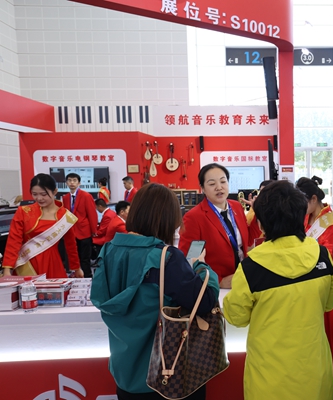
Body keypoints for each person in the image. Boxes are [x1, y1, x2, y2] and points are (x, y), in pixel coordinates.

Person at [90, 183, 219, 400]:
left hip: (125, 373)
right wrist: (201, 266)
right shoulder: (166, 258)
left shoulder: (109, 250)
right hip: (167, 376)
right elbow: (205, 300)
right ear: (167, 219)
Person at [223, 180, 333, 400]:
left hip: (269, 380)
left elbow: (236, 316)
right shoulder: (322, 256)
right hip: (315, 373)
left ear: (262, 223)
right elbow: (329, 302)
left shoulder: (251, 267)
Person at [297, 176, 333, 400]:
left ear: (313, 199)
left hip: (330, 283)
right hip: (312, 280)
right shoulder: (308, 215)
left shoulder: (330, 224)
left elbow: (324, 256)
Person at [179, 163, 260, 289]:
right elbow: (189, 260)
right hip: (216, 287)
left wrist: (258, 213)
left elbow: (248, 241)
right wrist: (218, 281)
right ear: (202, 188)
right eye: (212, 184)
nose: (219, 187)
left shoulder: (236, 207)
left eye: (223, 181)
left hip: (243, 279)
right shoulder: (194, 217)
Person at [2, 173, 83, 279]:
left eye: (44, 194)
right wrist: (7, 269)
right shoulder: (24, 212)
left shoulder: (65, 216)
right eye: (34, 194)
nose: (39, 198)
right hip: (26, 264)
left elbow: (71, 244)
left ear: (55, 191)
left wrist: (77, 268)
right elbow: (13, 241)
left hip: (53, 263)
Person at [62, 173, 98, 278]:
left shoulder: (86, 196)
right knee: (74, 258)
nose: (72, 183)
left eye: (74, 180)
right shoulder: (65, 198)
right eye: (69, 180)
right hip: (71, 231)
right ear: (66, 183)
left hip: (84, 231)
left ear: (79, 183)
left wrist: (93, 230)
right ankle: (77, 277)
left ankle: (88, 277)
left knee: (85, 258)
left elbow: (92, 214)